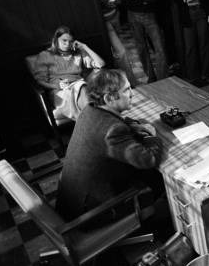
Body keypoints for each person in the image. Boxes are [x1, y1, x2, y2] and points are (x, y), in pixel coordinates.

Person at [55, 69, 164, 227]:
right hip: (91, 214)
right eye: (126, 90)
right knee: (156, 177)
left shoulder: (89, 110)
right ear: (109, 98)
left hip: (73, 201)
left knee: (147, 174)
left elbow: (114, 121)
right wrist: (151, 135)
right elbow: (149, 159)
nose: (132, 93)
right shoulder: (112, 131)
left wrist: (133, 126)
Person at [31, 26, 105, 120]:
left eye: (70, 41)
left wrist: (85, 47)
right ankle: (96, 120)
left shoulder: (78, 53)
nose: (67, 44)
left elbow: (101, 64)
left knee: (85, 86)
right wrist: (57, 85)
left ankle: (92, 121)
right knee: (87, 91)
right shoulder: (45, 55)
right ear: (56, 39)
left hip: (79, 86)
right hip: (60, 92)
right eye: (64, 40)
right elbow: (39, 81)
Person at [89, 0, 138, 85]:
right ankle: (131, 84)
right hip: (102, 21)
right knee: (121, 52)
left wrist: (115, 1)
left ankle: (121, 84)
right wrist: (103, 1)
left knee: (117, 54)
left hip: (113, 16)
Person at [146, 0, 177, 71]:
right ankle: (162, 60)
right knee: (154, 37)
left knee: (169, 36)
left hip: (167, 10)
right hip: (153, 12)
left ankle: (172, 61)